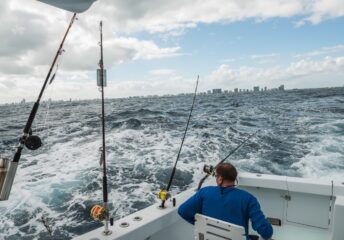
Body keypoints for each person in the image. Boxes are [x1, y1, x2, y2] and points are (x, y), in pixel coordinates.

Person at [178, 163, 273, 240]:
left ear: (220, 179)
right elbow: (266, 232)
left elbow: (182, 211)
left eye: (216, 177)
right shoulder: (248, 199)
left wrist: (202, 224)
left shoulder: (204, 192)